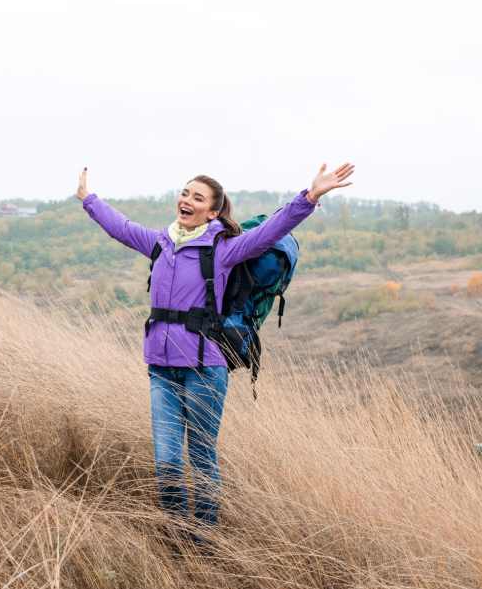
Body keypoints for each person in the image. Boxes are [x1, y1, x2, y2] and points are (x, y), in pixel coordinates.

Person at [74, 163, 354, 535]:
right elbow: (121, 228)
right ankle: (176, 538)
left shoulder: (223, 250)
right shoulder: (161, 242)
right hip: (160, 369)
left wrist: (310, 196)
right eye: (185, 192)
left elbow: (273, 230)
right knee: (167, 464)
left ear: (214, 211)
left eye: (197, 197)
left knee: (201, 457)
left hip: (204, 369)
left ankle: (204, 539)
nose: (186, 200)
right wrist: (88, 199)